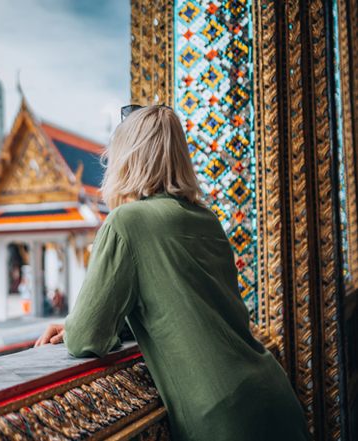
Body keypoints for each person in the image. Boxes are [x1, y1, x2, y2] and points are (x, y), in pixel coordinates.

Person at [34, 105, 309, 441]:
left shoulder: (126, 223)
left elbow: (86, 338)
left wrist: (73, 326)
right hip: (275, 394)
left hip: (224, 420)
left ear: (127, 158)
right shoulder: (207, 220)